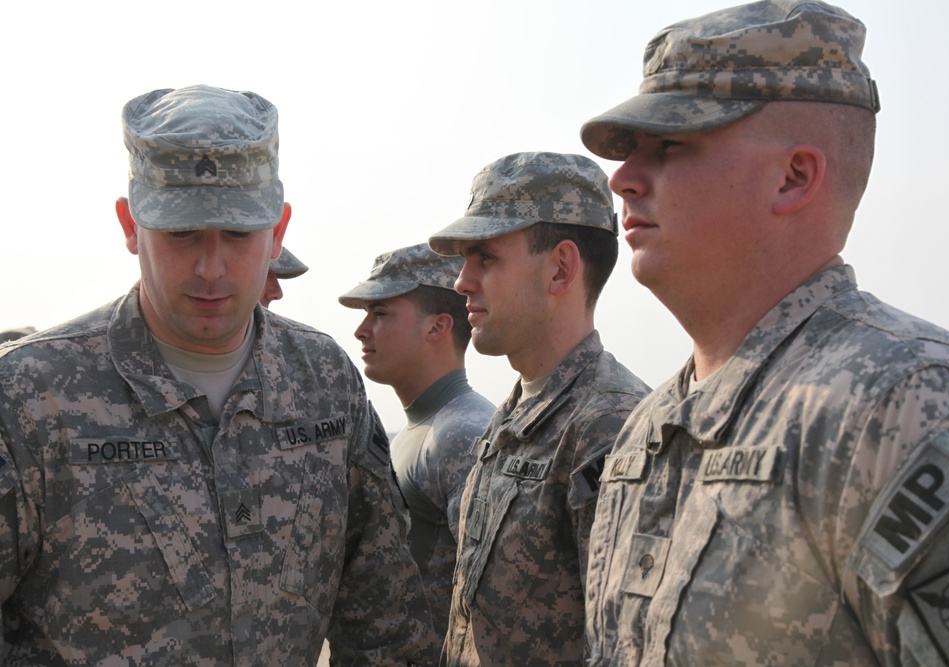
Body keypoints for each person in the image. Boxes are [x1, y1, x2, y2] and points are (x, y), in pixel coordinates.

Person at [578, 2, 949, 665]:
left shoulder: (912, 409)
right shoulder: (650, 427)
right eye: (630, 152)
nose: (623, 179)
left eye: (669, 146)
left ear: (794, 177)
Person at [0, 85, 434, 665]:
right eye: (181, 235)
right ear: (130, 225)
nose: (211, 268)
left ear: (278, 231)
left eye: (237, 235)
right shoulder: (31, 395)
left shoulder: (324, 383)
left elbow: (383, 626)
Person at [428, 151, 650, 666]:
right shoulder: (516, 412)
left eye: (484, 257)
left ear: (560, 268)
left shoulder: (609, 426)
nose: (461, 281)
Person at [339, 242, 495, 653]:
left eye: (381, 313)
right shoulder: (418, 431)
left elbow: (496, 605)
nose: (362, 329)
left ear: (437, 327)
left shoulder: (462, 435)